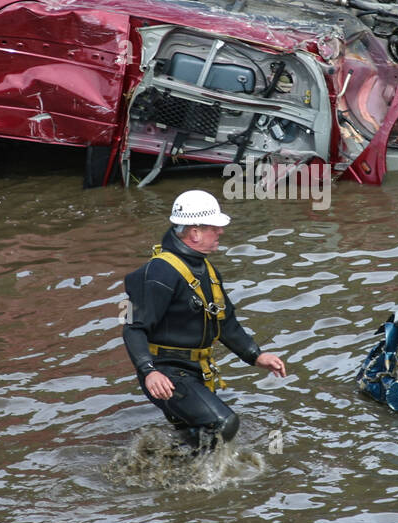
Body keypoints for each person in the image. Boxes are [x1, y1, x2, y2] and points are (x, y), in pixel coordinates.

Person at [122, 189, 286, 452]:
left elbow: (225, 321)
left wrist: (256, 355)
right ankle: (202, 485)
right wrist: (148, 371)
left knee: (197, 437)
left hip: (194, 370)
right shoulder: (159, 273)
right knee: (223, 424)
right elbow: (133, 327)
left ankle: (175, 479)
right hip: (165, 373)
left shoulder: (206, 269)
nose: (220, 232)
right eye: (214, 228)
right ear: (194, 232)